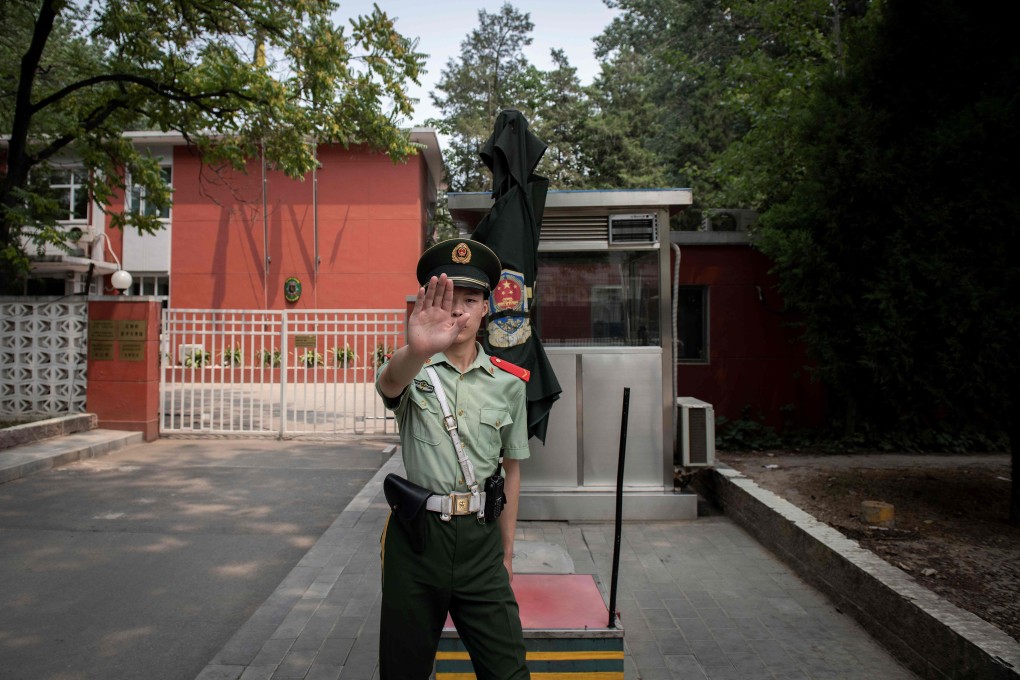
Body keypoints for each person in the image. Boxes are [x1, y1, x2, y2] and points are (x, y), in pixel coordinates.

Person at [375, 239, 531, 680]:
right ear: (431, 303)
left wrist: (506, 551)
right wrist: (417, 350)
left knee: (508, 671)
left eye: (472, 299)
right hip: (417, 540)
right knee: (403, 671)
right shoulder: (414, 370)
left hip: (481, 542)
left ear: (486, 309)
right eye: (450, 299)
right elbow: (388, 385)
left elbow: (512, 468)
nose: (460, 311)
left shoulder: (509, 384)